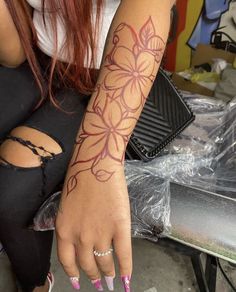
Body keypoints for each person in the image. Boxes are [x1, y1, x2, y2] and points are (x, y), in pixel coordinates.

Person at [0, 0, 175, 291]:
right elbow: (14, 53)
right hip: (38, 61)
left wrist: (99, 162)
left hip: (105, 78)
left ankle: (36, 282)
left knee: (14, 181)